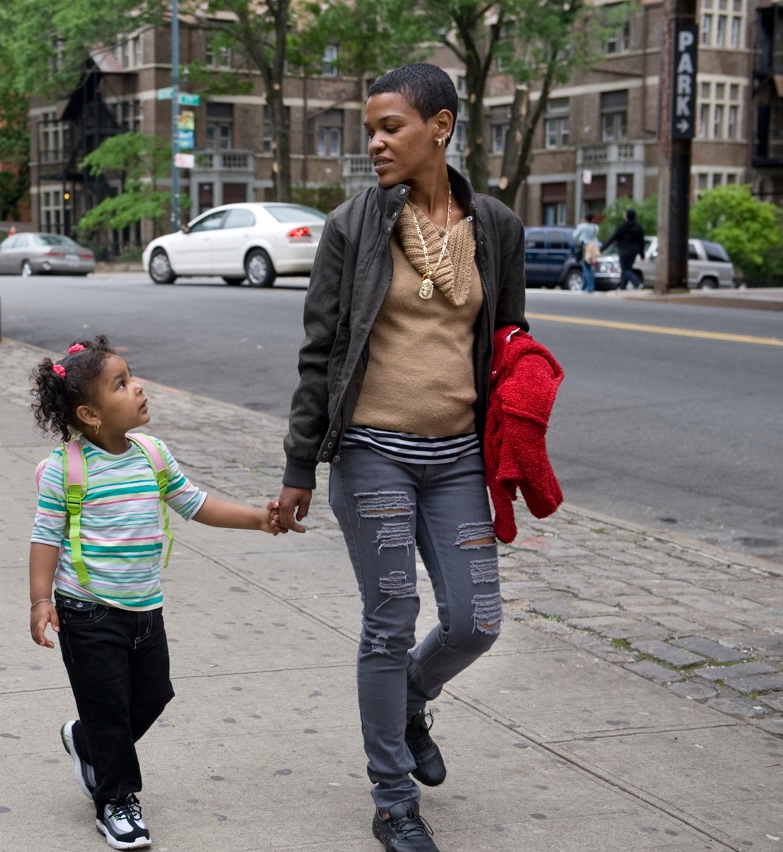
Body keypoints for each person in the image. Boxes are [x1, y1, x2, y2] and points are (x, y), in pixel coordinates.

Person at [277, 64, 527, 852]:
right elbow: (320, 352)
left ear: (441, 127)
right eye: (371, 130)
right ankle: (392, 799)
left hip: (456, 458)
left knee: (477, 620)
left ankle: (412, 700)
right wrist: (298, 468)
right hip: (373, 454)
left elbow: (509, 344)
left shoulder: (496, 226)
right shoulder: (353, 225)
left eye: (391, 127)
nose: (376, 142)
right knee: (390, 623)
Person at [29, 336, 282, 851]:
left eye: (132, 377)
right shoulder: (66, 469)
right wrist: (40, 600)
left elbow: (196, 503)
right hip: (87, 611)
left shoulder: (151, 453)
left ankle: (86, 740)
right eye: (121, 384)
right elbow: (44, 537)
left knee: (152, 696)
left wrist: (258, 519)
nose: (137, 387)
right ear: (90, 414)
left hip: (145, 608)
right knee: (108, 708)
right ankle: (117, 801)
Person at [602, 208, 645, 290]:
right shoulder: (638, 227)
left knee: (626, 269)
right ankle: (622, 286)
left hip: (624, 250)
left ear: (627, 216)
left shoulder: (622, 226)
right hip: (634, 251)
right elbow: (641, 241)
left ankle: (637, 283)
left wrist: (602, 248)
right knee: (627, 267)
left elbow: (613, 238)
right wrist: (642, 253)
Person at [571, 212, 599, 293]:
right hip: (592, 247)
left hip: (585, 246)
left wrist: (578, 242)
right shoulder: (595, 227)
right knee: (588, 266)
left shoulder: (582, 226)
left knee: (587, 267)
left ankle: (590, 286)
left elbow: (574, 236)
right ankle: (584, 286)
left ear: (585, 219)